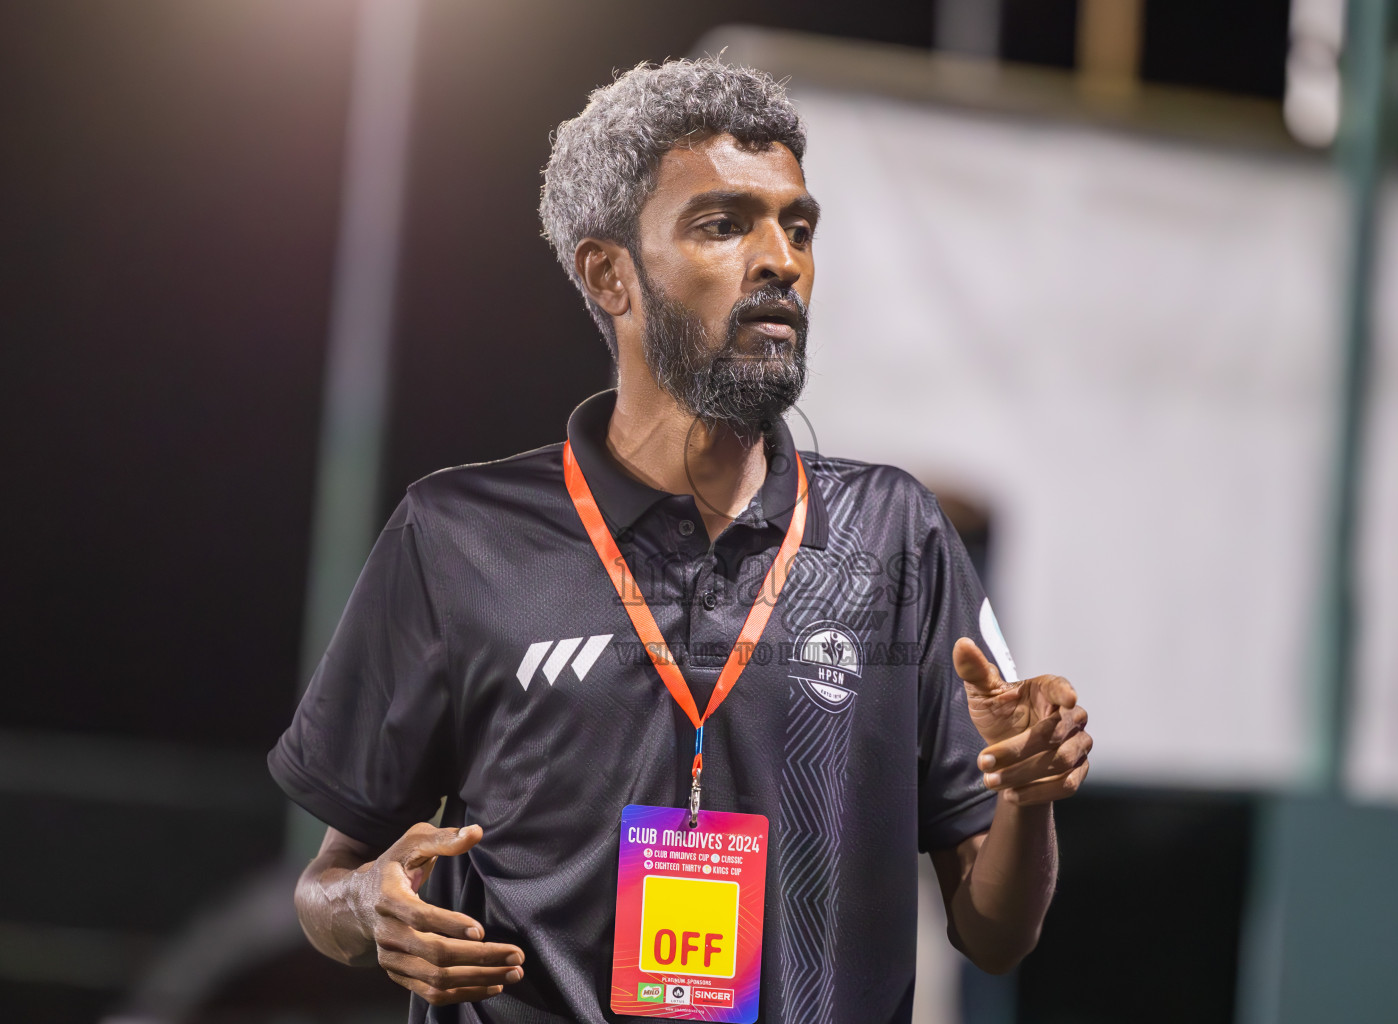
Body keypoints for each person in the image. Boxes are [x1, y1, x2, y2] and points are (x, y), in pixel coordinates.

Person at [268, 56, 1091, 1024]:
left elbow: (996, 932)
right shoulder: (458, 536)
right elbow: (328, 883)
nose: (780, 257)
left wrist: (1027, 795)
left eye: (798, 224)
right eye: (723, 223)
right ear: (609, 273)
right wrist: (368, 907)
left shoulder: (893, 534)